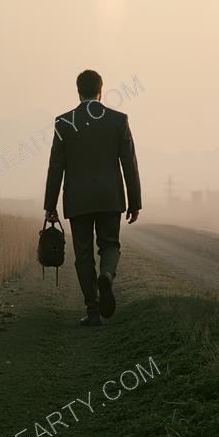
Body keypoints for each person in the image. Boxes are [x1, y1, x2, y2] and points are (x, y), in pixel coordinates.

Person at [43, 70, 142, 327]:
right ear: (101, 89)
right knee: (110, 245)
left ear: (78, 91)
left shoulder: (63, 122)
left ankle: (93, 310)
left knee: (83, 255)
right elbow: (129, 163)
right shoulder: (119, 120)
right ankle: (107, 274)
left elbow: (56, 167)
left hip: (78, 200)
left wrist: (50, 206)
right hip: (110, 197)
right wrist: (134, 201)